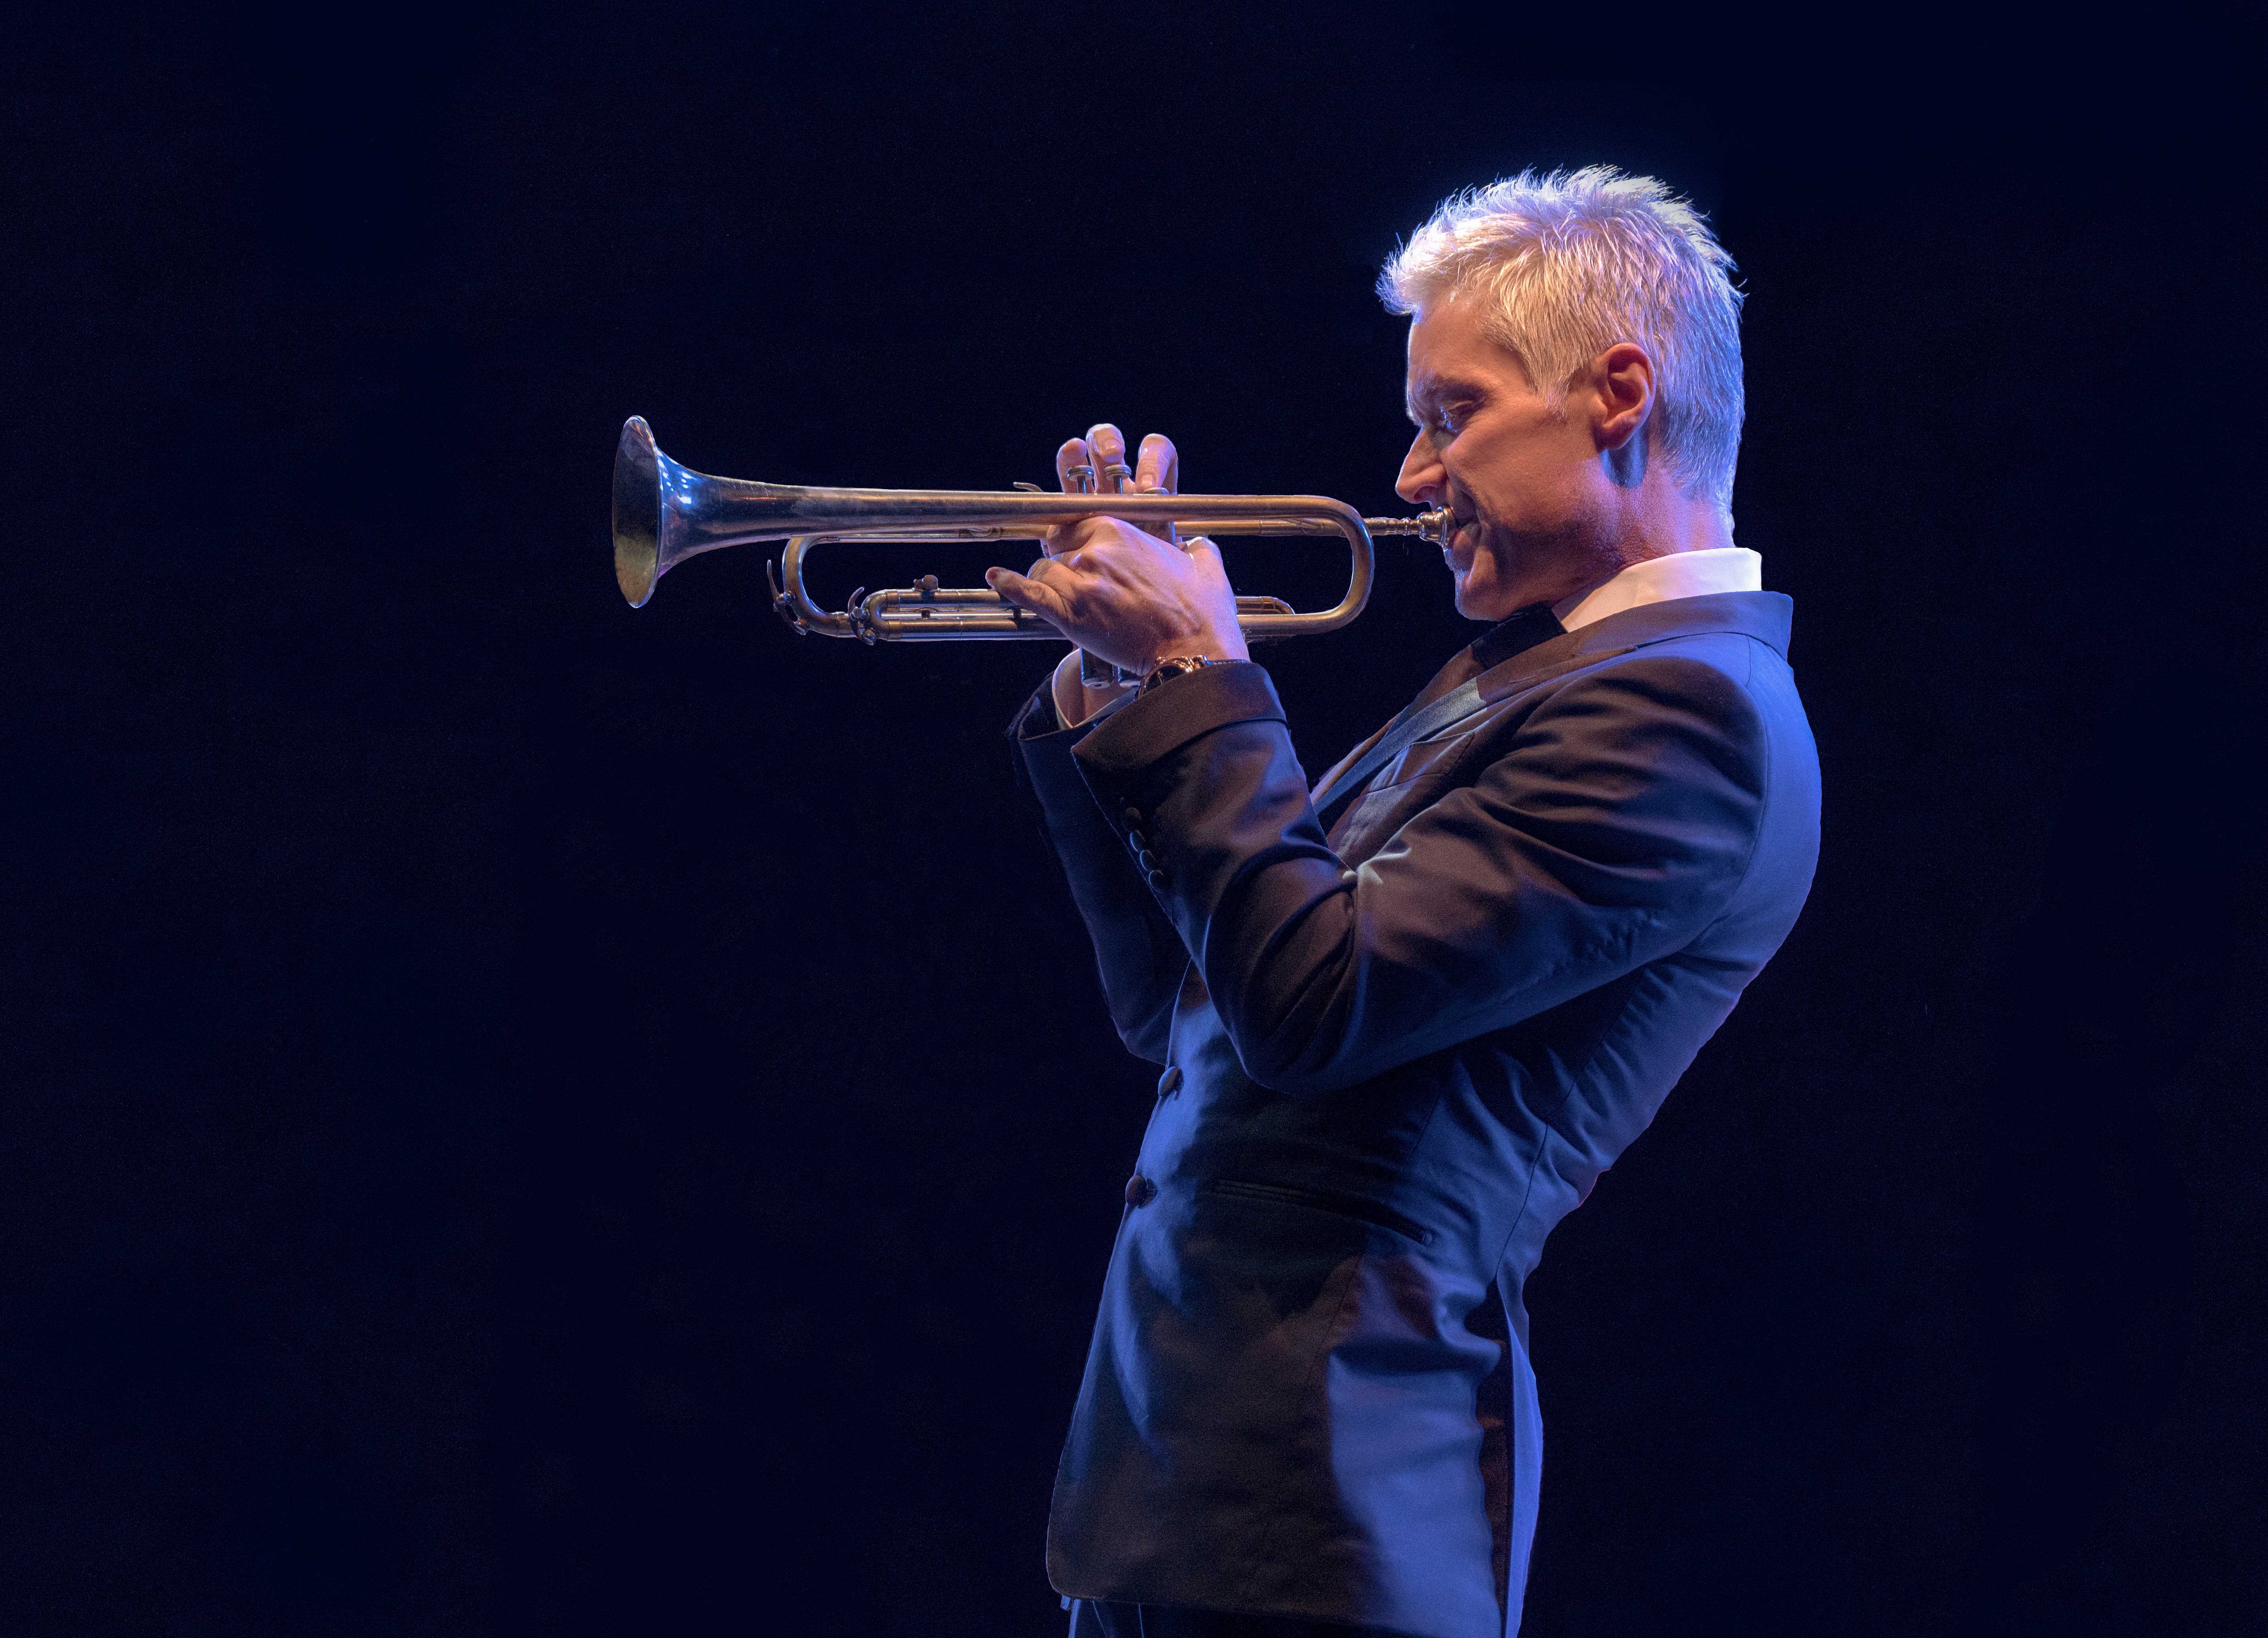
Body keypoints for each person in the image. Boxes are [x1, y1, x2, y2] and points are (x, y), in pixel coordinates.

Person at [984, 168, 1820, 1638]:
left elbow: (1311, 1006)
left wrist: (1199, 681)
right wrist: (1122, 692)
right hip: (1199, 1501)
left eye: (1453, 415)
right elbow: (1196, 1006)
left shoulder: (1691, 717)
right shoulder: (1546, 674)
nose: (1414, 477)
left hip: (1330, 1516)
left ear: (1617, 394)